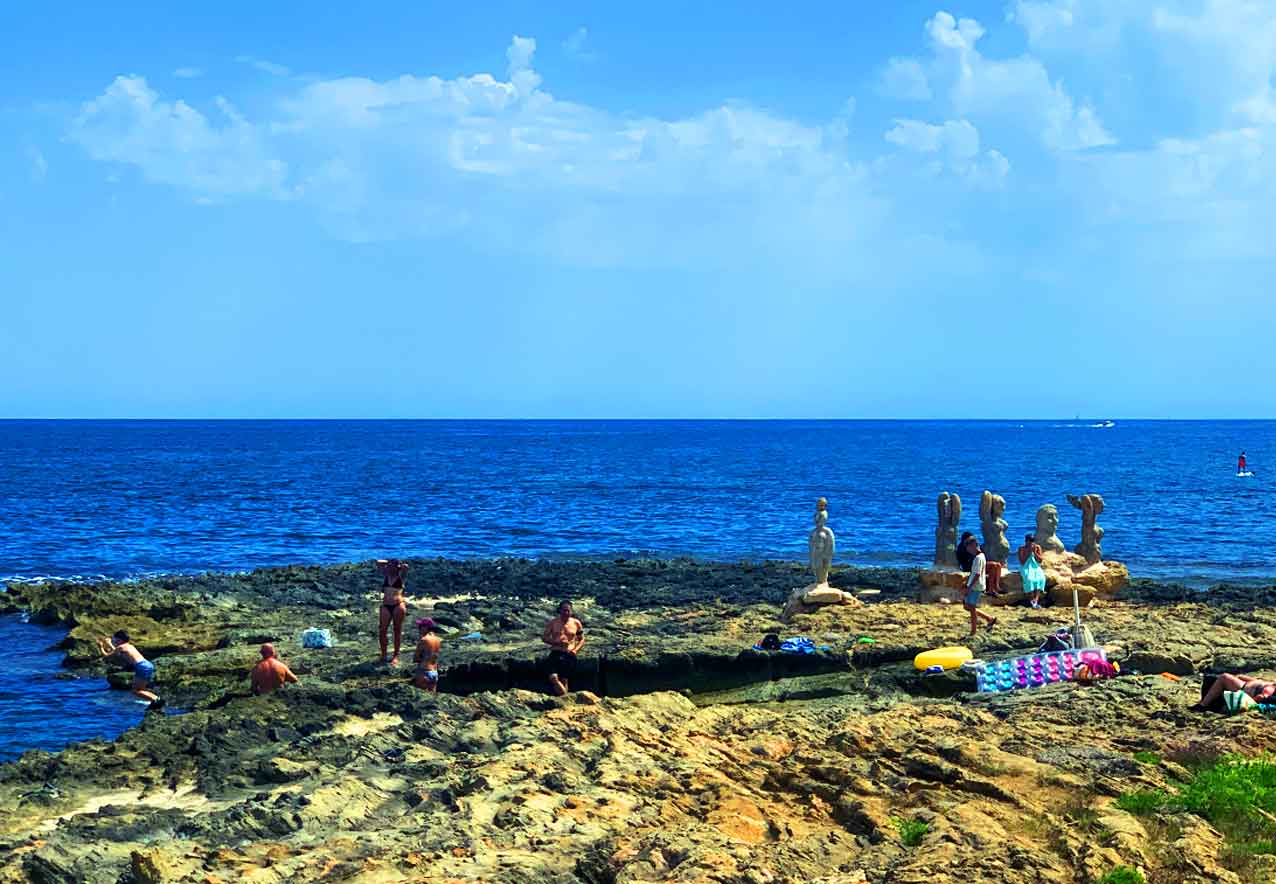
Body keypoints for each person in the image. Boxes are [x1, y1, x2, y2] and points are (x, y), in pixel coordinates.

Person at [96, 630, 162, 708]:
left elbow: (107, 656)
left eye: (114, 639)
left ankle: (156, 699)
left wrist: (101, 646)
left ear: (119, 640)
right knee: (141, 689)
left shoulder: (121, 647)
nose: (114, 641)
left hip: (141, 666)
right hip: (147, 665)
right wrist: (109, 644)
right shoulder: (129, 645)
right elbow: (117, 652)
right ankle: (156, 701)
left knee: (136, 691)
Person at [542, 600, 585, 696]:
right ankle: (566, 699)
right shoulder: (553, 623)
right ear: (559, 611)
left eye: (568, 610)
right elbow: (544, 637)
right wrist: (555, 642)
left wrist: (575, 650)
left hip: (569, 654)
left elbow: (581, 639)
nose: (566, 613)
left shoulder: (576, 623)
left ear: (571, 611)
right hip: (556, 652)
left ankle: (564, 702)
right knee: (553, 678)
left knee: (564, 680)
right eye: (564, 610)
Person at [961, 536, 997, 637]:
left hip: (975, 586)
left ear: (973, 546)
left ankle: (973, 631)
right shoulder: (982, 556)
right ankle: (989, 618)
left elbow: (977, 574)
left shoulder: (978, 558)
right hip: (976, 585)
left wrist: (969, 587)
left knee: (971, 608)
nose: (968, 551)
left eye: (968, 548)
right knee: (967, 606)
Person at [375, 559, 408, 665]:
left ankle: (396, 655)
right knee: (382, 630)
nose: (389, 568)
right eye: (388, 566)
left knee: (397, 630)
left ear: (397, 567)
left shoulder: (401, 576)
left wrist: (398, 565)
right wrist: (389, 562)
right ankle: (384, 654)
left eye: (392, 566)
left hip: (398, 605)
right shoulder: (386, 574)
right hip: (385, 606)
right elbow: (378, 562)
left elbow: (406, 566)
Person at [1192, 672, 1276, 712]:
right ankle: (1204, 701)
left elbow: (1261, 697)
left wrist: (1247, 705)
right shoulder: (1272, 684)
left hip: (1242, 690)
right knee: (1212, 678)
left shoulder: (1271, 690)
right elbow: (1258, 681)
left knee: (1224, 677)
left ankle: (1202, 706)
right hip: (1244, 685)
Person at [957, 532, 1004, 596]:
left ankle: (996, 586)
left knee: (998, 565)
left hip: (976, 563)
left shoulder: (972, 546)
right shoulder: (963, 547)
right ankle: (991, 589)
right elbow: (965, 560)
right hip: (970, 566)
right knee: (993, 566)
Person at [1017, 534, 1047, 609]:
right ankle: (1031, 600)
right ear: (1026, 541)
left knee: (1041, 578)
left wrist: (1035, 553)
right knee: (1029, 579)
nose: (1031, 543)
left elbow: (1040, 560)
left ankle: (1035, 600)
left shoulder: (1037, 547)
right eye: (1029, 541)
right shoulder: (1021, 548)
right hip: (1026, 566)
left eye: (1032, 541)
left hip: (1035, 566)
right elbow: (1022, 562)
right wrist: (1028, 552)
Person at [413, 618, 442, 692]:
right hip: (434, 672)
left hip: (424, 671)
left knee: (421, 698)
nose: (419, 629)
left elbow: (416, 658)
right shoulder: (438, 639)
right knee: (432, 697)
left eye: (420, 626)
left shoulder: (424, 640)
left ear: (425, 628)